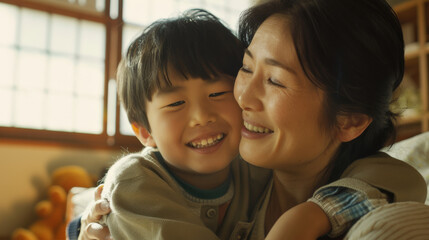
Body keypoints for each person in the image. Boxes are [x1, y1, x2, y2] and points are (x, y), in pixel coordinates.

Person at [70, 2, 427, 240]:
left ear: (348, 120)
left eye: (274, 80)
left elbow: (402, 176)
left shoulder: (367, 187)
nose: (242, 95)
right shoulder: (236, 160)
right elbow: (126, 194)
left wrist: (313, 214)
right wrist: (77, 229)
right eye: (245, 67)